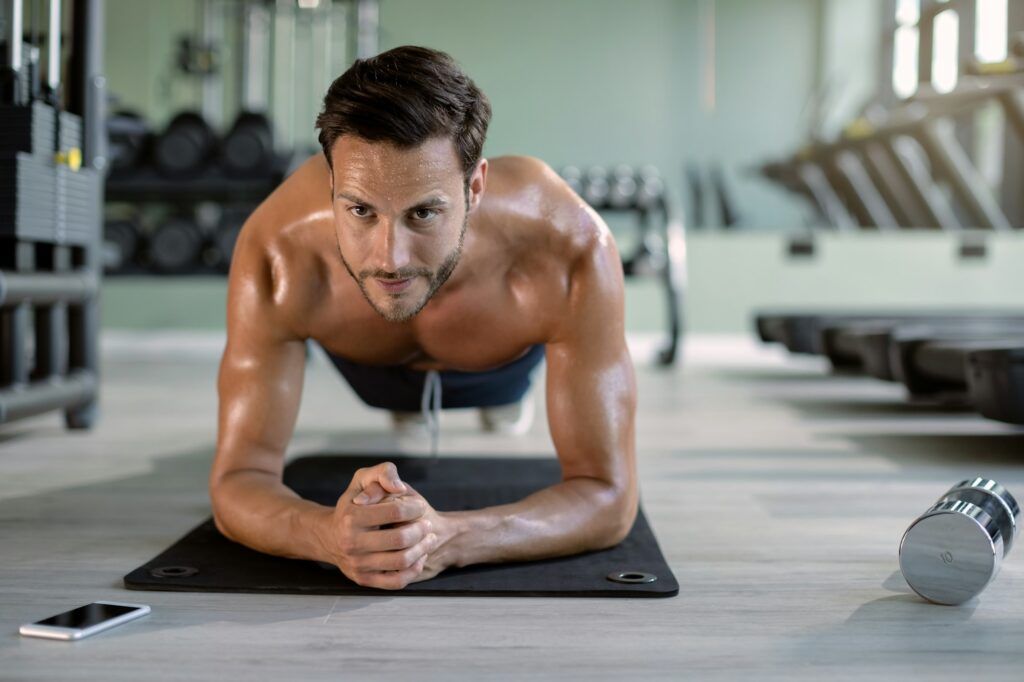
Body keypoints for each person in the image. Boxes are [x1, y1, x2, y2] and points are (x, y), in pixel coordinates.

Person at [209, 46, 638, 590]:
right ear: (332, 186)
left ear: (474, 187)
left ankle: (504, 399)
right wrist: (328, 535)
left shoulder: (570, 247)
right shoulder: (279, 251)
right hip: (369, 368)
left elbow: (608, 497)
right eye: (361, 210)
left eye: (424, 212)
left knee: (503, 408)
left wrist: (447, 538)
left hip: (498, 361)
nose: (390, 258)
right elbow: (237, 481)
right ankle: (408, 406)